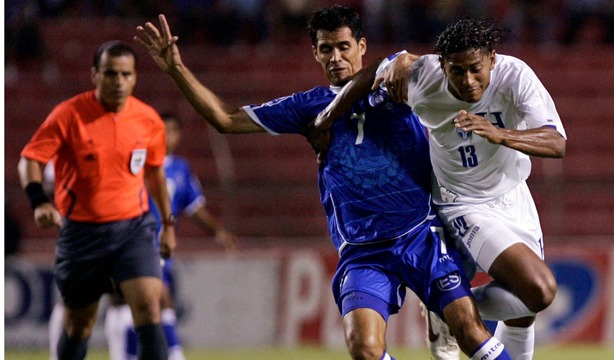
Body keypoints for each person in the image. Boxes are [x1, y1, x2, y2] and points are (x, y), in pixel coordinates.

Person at [134, 6, 511, 360]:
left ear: (361, 47)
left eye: (344, 46)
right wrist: (177, 69)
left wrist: (402, 59)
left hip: (420, 236)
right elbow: (227, 119)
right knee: (363, 348)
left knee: (469, 329)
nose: (336, 57)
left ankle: (443, 318)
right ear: (315, 53)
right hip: (363, 252)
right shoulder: (306, 107)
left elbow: (440, 69)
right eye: (325, 48)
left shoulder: (395, 84)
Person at [314, 17, 567, 360]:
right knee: (539, 289)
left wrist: (499, 133)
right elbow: (373, 73)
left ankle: (444, 309)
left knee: (524, 310)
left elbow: (555, 142)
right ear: (441, 66)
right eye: (457, 71)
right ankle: (450, 308)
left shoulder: (515, 76)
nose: (468, 80)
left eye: (476, 68)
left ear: (492, 59)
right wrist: (329, 116)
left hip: (513, 194)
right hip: (462, 201)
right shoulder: (423, 76)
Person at [18, 40, 174, 360]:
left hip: (133, 227)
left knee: (148, 307)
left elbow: (155, 174)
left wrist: (168, 224)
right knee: (79, 323)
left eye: (125, 74)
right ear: (94, 76)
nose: (118, 82)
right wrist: (39, 202)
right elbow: (29, 160)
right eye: (110, 74)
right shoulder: (69, 115)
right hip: (82, 234)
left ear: (135, 78)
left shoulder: (148, 120)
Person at [104, 112, 240, 360]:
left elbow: (194, 206)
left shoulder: (180, 168)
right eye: (162, 131)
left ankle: (137, 354)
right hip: (133, 241)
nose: (167, 136)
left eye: (172, 131)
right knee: (147, 298)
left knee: (151, 302)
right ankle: (167, 355)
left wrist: (217, 231)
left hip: (162, 246)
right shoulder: (137, 163)